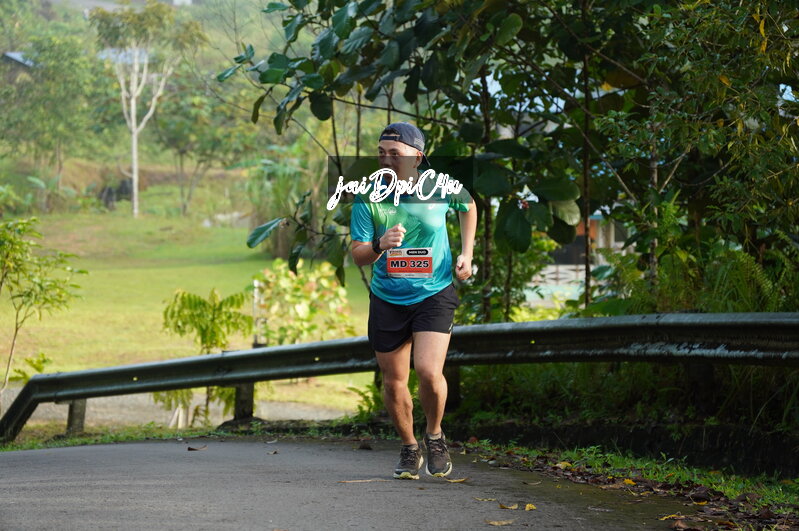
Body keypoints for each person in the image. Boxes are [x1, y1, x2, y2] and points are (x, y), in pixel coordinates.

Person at [350, 122, 477, 479]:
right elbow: (358, 254)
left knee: (428, 371)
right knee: (394, 380)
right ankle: (409, 447)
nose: (386, 160)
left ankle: (434, 435)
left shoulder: (439, 185)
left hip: (434, 292)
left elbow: (468, 206)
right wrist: (380, 245)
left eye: (396, 153)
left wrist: (467, 253)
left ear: (417, 158)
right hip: (388, 297)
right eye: (381, 153)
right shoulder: (368, 196)